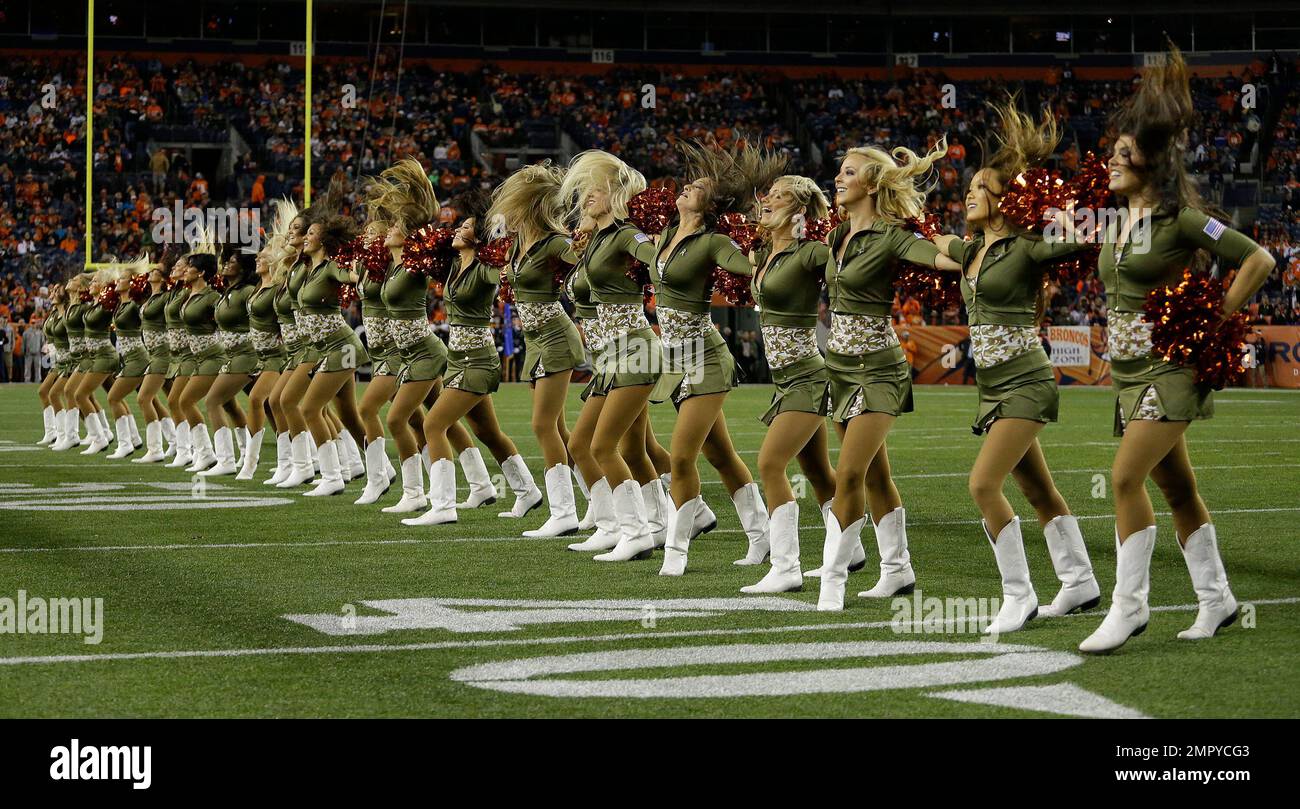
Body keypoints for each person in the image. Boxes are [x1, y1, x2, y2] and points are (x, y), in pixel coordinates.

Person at [1079, 45, 1276, 653]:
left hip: (1171, 370)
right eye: (1112, 152)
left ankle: (1128, 608)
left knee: (1123, 479)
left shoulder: (1184, 220)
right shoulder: (1114, 226)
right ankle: (1217, 601)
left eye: (1124, 154)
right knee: (1178, 490)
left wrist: (1215, 317)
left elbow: (1258, 259)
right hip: (1130, 374)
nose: (1112, 161)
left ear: (1153, 162)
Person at [930, 98, 1102, 634]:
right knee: (1037, 489)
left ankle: (1018, 594)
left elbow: (1082, 238)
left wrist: (1067, 209)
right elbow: (925, 244)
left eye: (980, 188)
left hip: (1027, 381)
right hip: (993, 387)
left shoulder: (1028, 247)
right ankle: (1079, 583)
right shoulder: (969, 250)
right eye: (970, 187)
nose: (969, 194)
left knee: (983, 485)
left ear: (1005, 199)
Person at [816, 137, 960, 611]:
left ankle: (832, 580)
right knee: (876, 476)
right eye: (840, 170)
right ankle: (897, 569)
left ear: (873, 184)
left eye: (850, 172)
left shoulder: (892, 236)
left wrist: (937, 234)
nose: (839, 178)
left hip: (878, 369)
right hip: (838, 368)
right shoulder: (837, 235)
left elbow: (946, 261)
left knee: (850, 473)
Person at [652, 142, 781, 576]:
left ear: (710, 206)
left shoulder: (713, 241)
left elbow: (742, 264)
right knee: (722, 456)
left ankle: (675, 552)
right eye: (689, 183)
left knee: (681, 456)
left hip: (705, 359)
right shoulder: (667, 234)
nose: (687, 187)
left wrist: (763, 251)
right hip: (675, 361)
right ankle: (762, 538)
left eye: (698, 187)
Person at [742, 174, 838, 593]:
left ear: (798, 212)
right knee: (817, 471)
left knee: (770, 463)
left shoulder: (810, 252)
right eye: (768, 194)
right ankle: (847, 552)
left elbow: (844, 262)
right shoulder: (765, 253)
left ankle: (786, 568)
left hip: (807, 376)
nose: (768, 200)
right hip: (783, 381)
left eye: (779, 197)